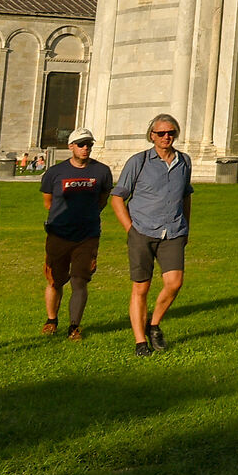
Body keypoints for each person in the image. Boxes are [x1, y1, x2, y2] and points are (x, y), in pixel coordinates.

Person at [111, 113, 194, 357]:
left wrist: (186, 225)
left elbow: (186, 195)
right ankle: (140, 342)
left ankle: (154, 324)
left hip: (174, 231)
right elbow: (117, 197)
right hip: (142, 231)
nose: (166, 137)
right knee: (141, 288)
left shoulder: (184, 161)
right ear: (152, 136)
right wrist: (130, 229)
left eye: (171, 133)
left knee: (174, 283)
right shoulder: (138, 161)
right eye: (161, 133)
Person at [40, 128, 112, 340]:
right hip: (58, 234)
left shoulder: (102, 172)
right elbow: (48, 202)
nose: (85, 148)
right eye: (81, 144)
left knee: (79, 280)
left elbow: (103, 198)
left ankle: (74, 326)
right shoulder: (55, 172)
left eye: (89, 144)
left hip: (87, 235)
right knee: (54, 280)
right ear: (70, 146)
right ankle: (51, 320)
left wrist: (87, 215)